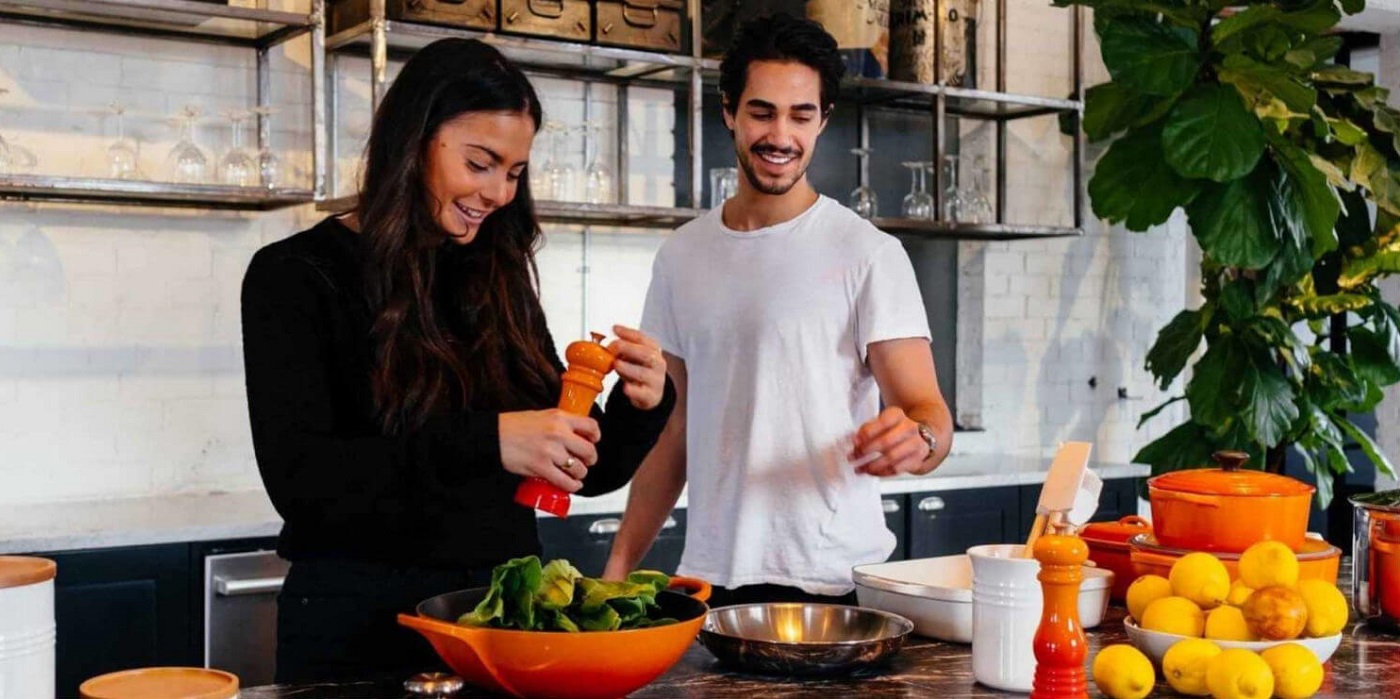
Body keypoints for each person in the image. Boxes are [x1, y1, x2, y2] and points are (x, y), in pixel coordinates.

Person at [240, 38, 675, 683]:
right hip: (356, 628)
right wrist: (491, 441)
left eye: (515, 172)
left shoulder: (497, 276)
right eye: (481, 163)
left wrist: (640, 404)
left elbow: (579, 471)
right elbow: (304, 484)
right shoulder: (295, 275)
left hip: (500, 621)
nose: (498, 192)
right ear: (414, 141)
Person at [602, 13, 954, 607]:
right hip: (712, 580)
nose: (780, 135)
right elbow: (674, 430)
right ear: (729, 113)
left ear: (824, 121)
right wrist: (617, 568)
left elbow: (929, 416)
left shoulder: (868, 253)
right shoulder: (682, 255)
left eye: (801, 115)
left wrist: (917, 440)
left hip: (835, 581)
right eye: (762, 112)